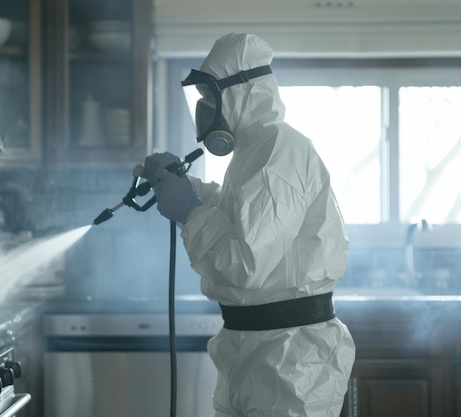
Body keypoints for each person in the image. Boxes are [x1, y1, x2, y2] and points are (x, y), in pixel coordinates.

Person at [142, 33, 356, 417]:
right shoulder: (252, 150)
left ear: (243, 91)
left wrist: (190, 210)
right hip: (255, 349)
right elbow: (240, 218)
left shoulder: (280, 149)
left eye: (211, 97)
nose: (206, 109)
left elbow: (245, 263)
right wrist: (189, 188)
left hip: (291, 361)